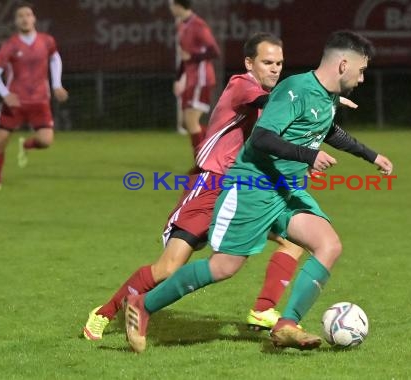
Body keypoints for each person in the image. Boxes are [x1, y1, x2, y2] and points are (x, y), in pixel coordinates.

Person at [123, 30, 394, 353]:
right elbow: (262, 138)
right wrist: (309, 155)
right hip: (253, 187)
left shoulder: (327, 96)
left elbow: (327, 129)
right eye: (361, 70)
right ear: (343, 64)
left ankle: (286, 324)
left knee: (329, 245)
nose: (362, 78)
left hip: (286, 191)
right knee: (224, 267)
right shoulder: (295, 89)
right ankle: (143, 305)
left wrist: (371, 155)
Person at [83, 33, 308, 340]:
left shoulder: (265, 100)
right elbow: (274, 104)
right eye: (267, 62)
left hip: (244, 188)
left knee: (294, 240)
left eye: (279, 63)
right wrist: (313, 99)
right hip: (210, 185)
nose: (275, 69)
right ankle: (105, 312)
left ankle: (263, 309)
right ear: (249, 63)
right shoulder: (242, 85)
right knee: (168, 268)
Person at [0, 3, 68, 192]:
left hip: (40, 100)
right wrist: (5, 94)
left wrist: (57, 84)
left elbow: (55, 59)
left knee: (46, 141)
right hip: (15, 101)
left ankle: (26, 144)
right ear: (16, 22)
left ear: (34, 19)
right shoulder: (10, 45)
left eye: (28, 15)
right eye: (20, 16)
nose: (25, 18)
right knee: (0, 141)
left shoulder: (47, 41)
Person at [169, 0, 220, 155]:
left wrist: (192, 57)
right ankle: (210, 152)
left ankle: (203, 160)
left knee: (191, 121)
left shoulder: (198, 25)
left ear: (178, 6)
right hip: (191, 79)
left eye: (172, 5)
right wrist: (178, 79)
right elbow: (184, 57)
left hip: (201, 79)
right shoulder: (181, 25)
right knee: (189, 121)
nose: (171, 8)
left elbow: (214, 52)